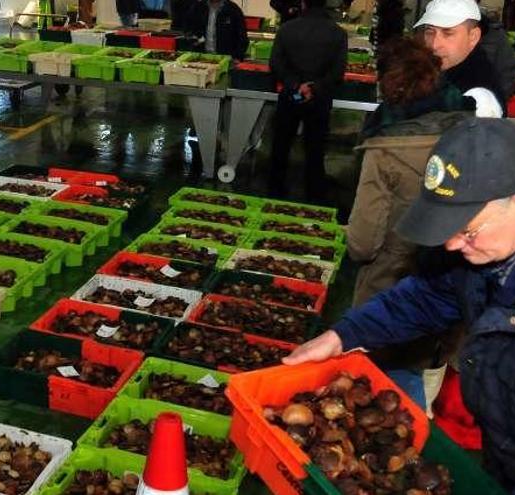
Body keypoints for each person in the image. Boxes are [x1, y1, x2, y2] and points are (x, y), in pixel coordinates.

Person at [284, 117, 515, 493]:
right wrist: (344, 334)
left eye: (466, 230)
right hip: (508, 450)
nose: (451, 245)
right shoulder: (489, 249)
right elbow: (431, 295)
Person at [350, 37, 473, 306]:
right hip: (454, 284)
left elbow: (363, 243)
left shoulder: (384, 148)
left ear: (389, 84)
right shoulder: (470, 131)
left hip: (391, 283)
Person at [267, 0, 347, 203]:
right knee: (315, 149)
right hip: (319, 99)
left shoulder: (287, 29)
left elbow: (275, 63)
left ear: (303, 3)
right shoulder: (338, 33)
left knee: (281, 146)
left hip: (290, 96)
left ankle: (275, 194)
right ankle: (314, 198)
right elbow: (337, 72)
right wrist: (315, 88)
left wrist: (295, 85)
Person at [414, 0, 509, 108]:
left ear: (473, 37)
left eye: (448, 33)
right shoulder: (422, 68)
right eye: (430, 32)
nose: (435, 44)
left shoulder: (478, 97)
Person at [184, 0, 249, 60]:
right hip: (200, 58)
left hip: (226, 59)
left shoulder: (233, 9)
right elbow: (188, 29)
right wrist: (193, 40)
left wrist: (237, 57)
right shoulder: (197, 8)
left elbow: (242, 37)